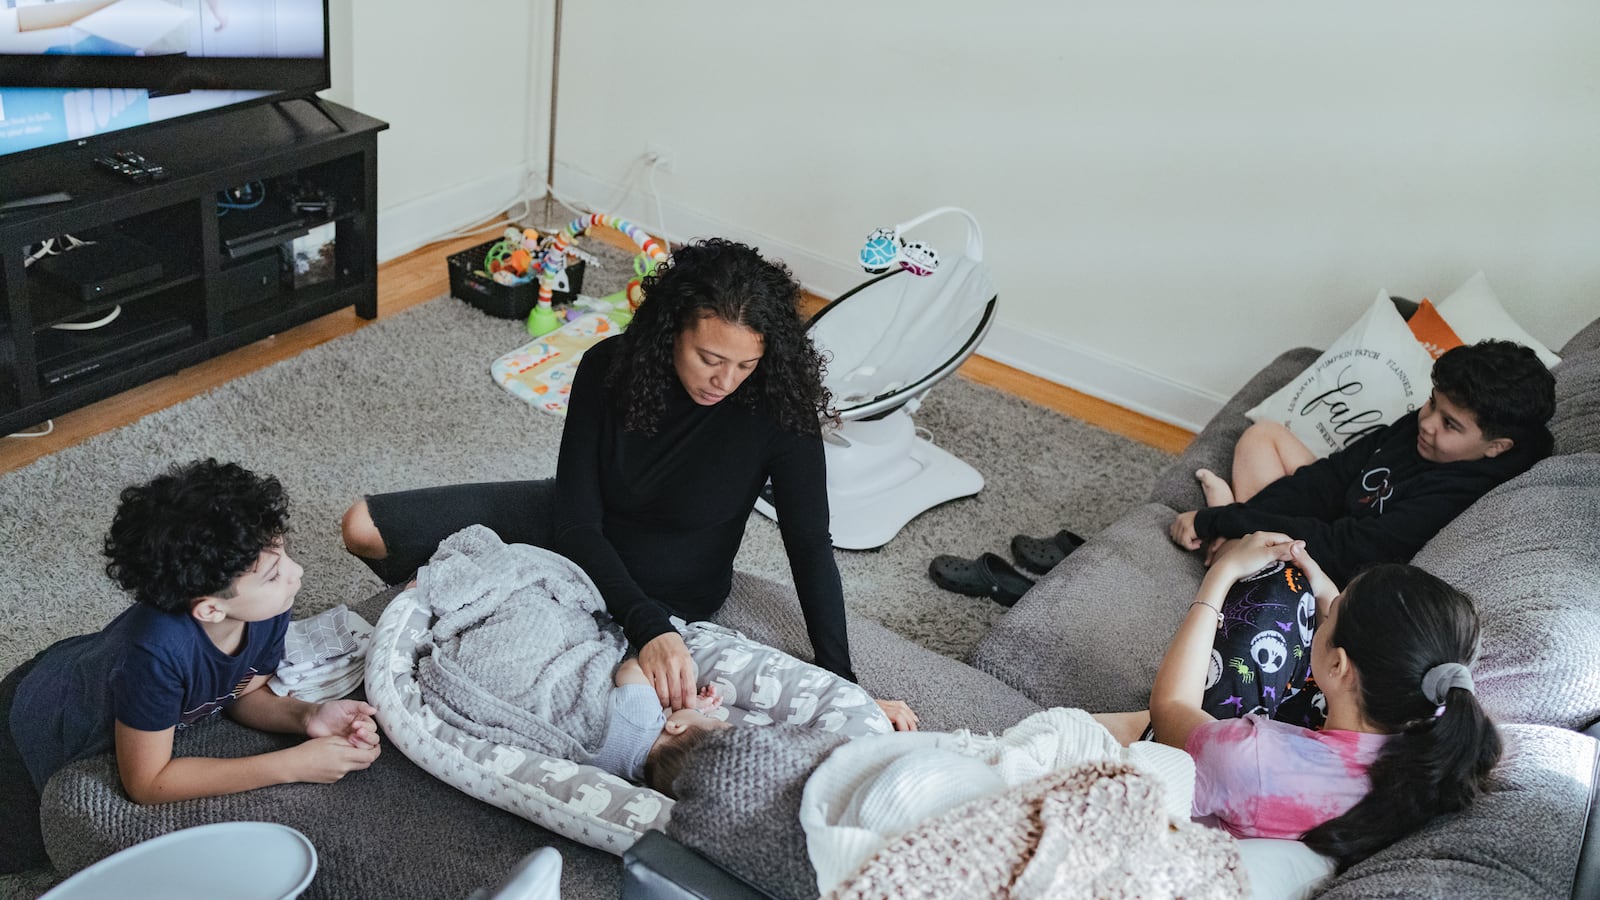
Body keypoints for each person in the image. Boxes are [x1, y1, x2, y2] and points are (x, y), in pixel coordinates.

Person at [341, 238, 916, 730]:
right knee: (362, 528)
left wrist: (844, 682)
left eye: (746, 366)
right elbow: (574, 521)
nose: (726, 380)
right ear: (671, 332)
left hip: (671, 588)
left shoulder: (780, 410)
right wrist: (644, 626)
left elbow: (810, 546)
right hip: (573, 528)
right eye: (709, 357)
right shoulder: (610, 366)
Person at [0, 460, 381, 874]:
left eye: (283, 554)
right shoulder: (154, 656)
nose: (297, 573)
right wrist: (292, 765)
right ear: (211, 609)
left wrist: (308, 716)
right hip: (30, 730)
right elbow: (147, 782)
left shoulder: (265, 609)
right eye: (274, 575)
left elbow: (243, 692)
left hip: (99, 668)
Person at [1150, 532, 1501, 870]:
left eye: (1333, 613)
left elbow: (1169, 708)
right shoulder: (1429, 760)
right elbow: (1349, 666)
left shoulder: (1249, 755)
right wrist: (1321, 589)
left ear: (1339, 665)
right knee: (1293, 583)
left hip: (1199, 781)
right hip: (1274, 776)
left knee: (1276, 579)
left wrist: (1221, 574)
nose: (1327, 612)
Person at [1170, 339, 1556, 583]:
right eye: (1432, 402)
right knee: (1261, 437)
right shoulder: (1427, 427)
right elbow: (1332, 475)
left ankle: (1230, 537)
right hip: (1340, 519)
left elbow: (1346, 550)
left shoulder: (1460, 495)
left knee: (1244, 557)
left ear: (1496, 447)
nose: (1426, 422)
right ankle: (1234, 531)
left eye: (1449, 424)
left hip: (1344, 569)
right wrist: (1246, 514)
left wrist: (1220, 519)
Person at [593, 657, 730, 797]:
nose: (702, 714)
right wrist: (694, 710)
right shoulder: (635, 775)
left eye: (710, 718)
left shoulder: (644, 716)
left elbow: (629, 670)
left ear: (677, 727)